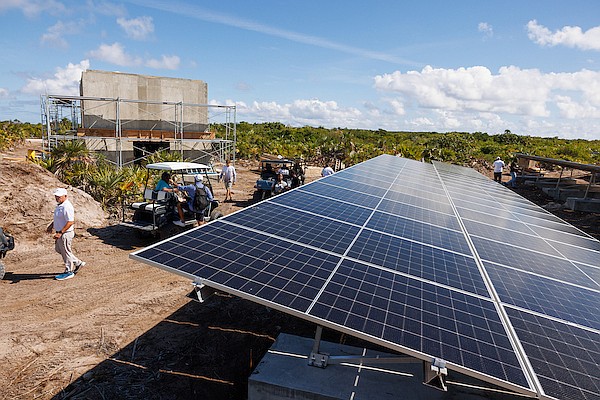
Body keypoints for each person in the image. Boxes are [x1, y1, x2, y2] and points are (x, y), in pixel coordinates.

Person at [46, 188, 85, 280]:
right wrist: (52, 225)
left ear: (65, 196)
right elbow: (59, 218)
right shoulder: (60, 205)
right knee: (59, 249)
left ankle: (69, 271)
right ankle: (78, 262)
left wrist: (60, 232)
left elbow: (70, 222)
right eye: (56, 196)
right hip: (60, 232)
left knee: (66, 252)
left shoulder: (67, 206)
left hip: (65, 233)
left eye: (59, 196)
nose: (57, 198)